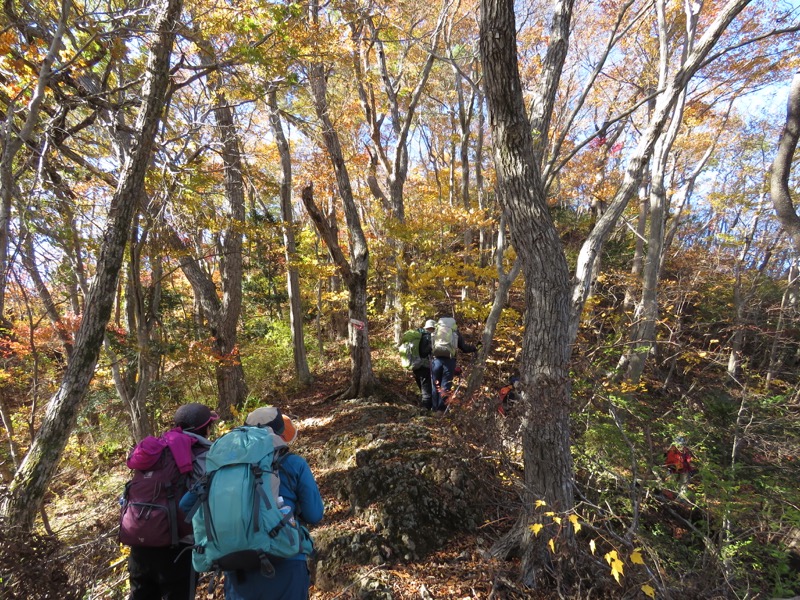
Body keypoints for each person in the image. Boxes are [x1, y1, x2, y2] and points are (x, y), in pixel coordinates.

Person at [222, 406, 324, 600]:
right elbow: (315, 514)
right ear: (279, 433)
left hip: (236, 563)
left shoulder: (226, 467)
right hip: (284, 559)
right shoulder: (294, 463)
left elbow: (187, 505)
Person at [126, 402, 218, 600]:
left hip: (139, 546)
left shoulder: (155, 451)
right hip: (177, 549)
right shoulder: (202, 454)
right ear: (206, 428)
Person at [430, 319, 479, 414]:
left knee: (435, 384)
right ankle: (441, 409)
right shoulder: (455, 332)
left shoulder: (436, 331)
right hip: (449, 361)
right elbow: (464, 348)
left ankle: (434, 408)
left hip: (436, 360)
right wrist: (474, 348)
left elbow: (430, 346)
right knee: (445, 385)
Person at [413, 319, 436, 410]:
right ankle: (425, 412)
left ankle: (424, 407)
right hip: (424, 366)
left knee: (423, 389)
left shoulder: (418, 335)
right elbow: (424, 352)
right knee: (426, 392)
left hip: (415, 365)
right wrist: (431, 347)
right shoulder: (428, 337)